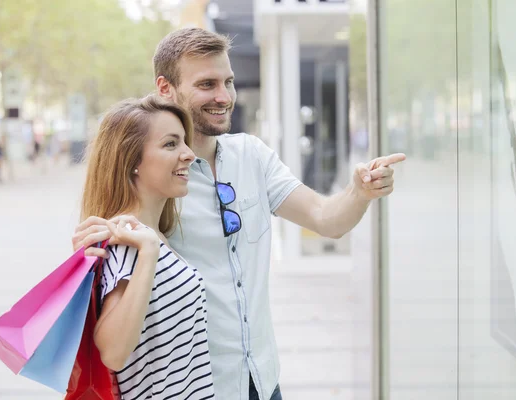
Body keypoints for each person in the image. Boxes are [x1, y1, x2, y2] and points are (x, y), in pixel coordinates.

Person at [73, 28, 406, 400]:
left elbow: (326, 218)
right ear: (165, 88)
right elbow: (118, 235)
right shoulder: (159, 178)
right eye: (207, 84)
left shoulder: (253, 155)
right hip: (195, 386)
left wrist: (359, 192)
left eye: (228, 82)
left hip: (261, 380)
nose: (223, 96)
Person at [79, 95, 215, 399]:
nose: (189, 154)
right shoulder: (129, 245)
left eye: (184, 142)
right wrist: (149, 251)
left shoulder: (151, 237)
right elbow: (113, 352)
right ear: (133, 162)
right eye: (171, 144)